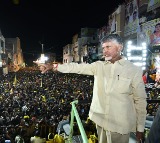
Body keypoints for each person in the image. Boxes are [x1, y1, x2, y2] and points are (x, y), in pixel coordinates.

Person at [34, 34, 147, 143]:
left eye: (108, 47)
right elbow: (77, 67)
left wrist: (140, 128)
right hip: (101, 121)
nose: (104, 51)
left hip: (121, 124)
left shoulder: (133, 70)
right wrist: (54, 66)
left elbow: (140, 100)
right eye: (103, 48)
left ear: (120, 47)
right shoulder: (98, 66)